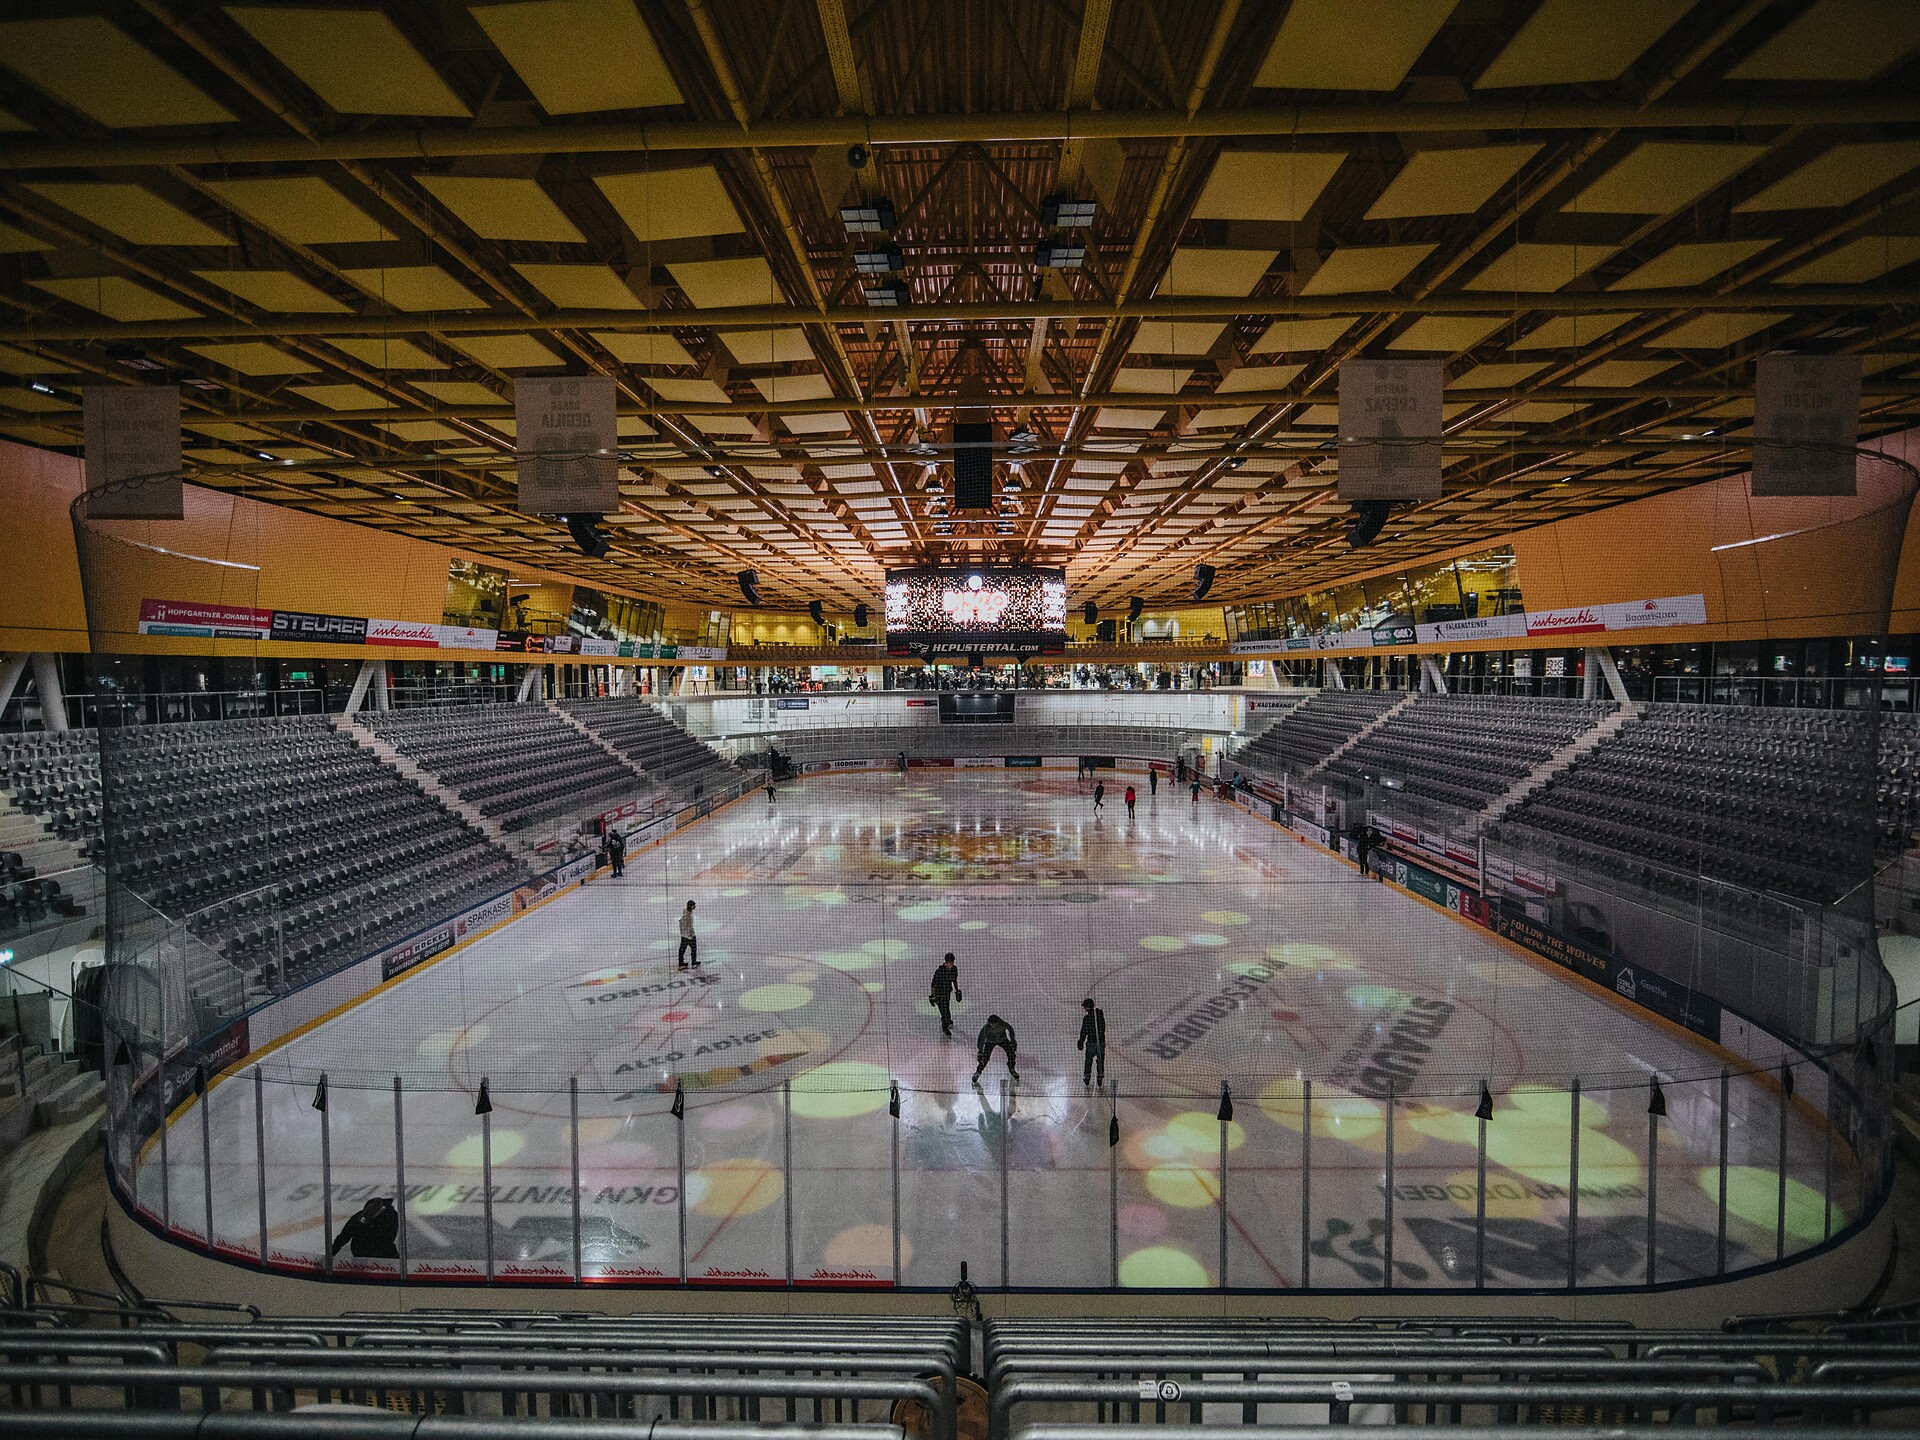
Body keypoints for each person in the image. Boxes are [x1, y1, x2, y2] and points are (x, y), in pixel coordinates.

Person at [330, 1196, 400, 1260]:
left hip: (384, 1256)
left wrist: (371, 1225)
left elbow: (389, 1237)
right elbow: (345, 1234)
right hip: (361, 1254)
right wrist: (331, 1254)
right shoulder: (360, 1216)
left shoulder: (390, 1214)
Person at [972, 1013, 1019, 1084]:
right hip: (990, 1042)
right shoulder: (986, 1028)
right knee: (985, 1058)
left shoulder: (1003, 1024)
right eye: (992, 1024)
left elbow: (1010, 1029)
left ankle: (1011, 1068)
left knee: (1011, 1052)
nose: (994, 1025)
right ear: (990, 1023)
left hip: (1002, 1040)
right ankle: (978, 1072)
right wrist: (981, 1050)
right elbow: (981, 1039)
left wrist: (1013, 1040)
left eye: (996, 1024)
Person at [930, 953, 962, 1038]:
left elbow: (954, 980)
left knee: (946, 1007)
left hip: (947, 992)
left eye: (953, 962)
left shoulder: (954, 969)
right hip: (939, 993)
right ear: (946, 962)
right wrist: (932, 996)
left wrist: (957, 990)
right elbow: (933, 984)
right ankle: (945, 1026)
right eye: (950, 962)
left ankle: (947, 1020)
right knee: (943, 1009)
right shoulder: (940, 971)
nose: (952, 964)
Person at [1076, 997, 1107, 1088]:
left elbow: (1084, 1031)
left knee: (1088, 1060)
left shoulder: (1087, 1018)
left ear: (1087, 1007)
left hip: (1091, 1043)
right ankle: (1100, 1076)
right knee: (1100, 1061)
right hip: (1101, 1043)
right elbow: (1103, 1028)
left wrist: (1081, 1040)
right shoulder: (1100, 1016)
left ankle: (1087, 1076)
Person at [677, 899, 700, 969]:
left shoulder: (685, 912)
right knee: (693, 948)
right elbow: (690, 927)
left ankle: (681, 962)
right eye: (694, 906)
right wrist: (692, 935)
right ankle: (693, 962)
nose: (695, 907)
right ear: (691, 907)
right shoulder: (689, 916)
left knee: (682, 949)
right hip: (689, 936)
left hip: (684, 935)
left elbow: (681, 922)